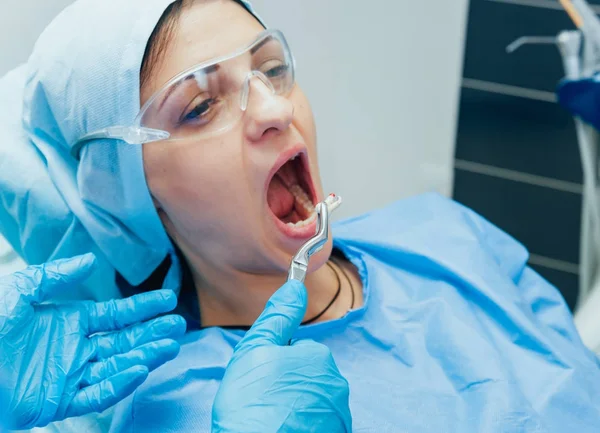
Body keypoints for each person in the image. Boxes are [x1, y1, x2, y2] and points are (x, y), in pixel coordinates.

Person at [10, 0, 600, 431]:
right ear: (129, 192)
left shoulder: (443, 231)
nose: (273, 107)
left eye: (269, 69)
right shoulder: (166, 408)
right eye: (201, 106)